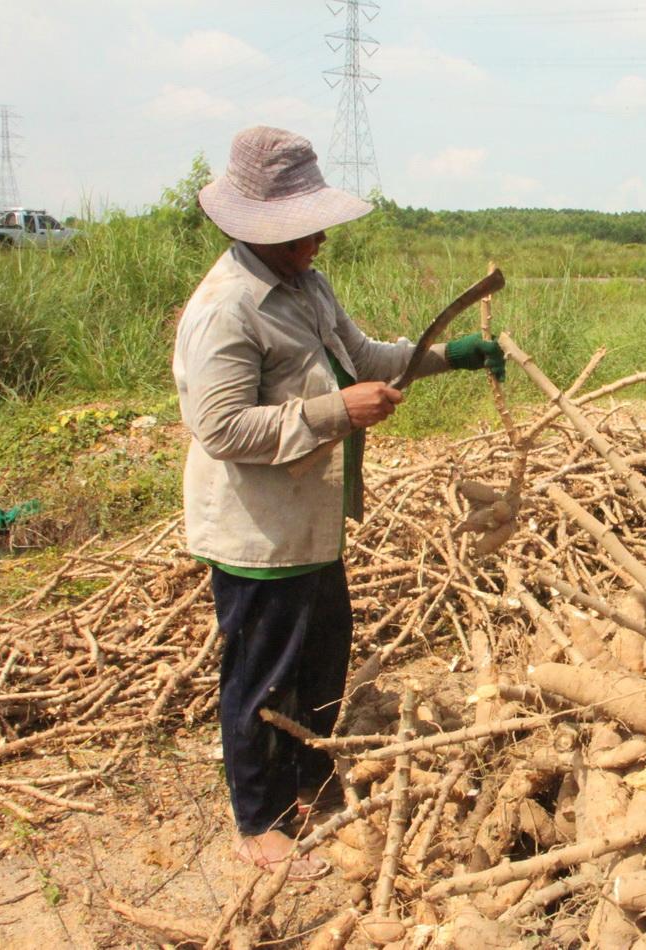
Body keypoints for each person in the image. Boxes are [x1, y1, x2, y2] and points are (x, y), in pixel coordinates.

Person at [172, 126, 504, 879]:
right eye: (302, 228)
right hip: (258, 533)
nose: (318, 238)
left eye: (317, 223)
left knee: (323, 658)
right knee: (260, 678)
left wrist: (449, 356)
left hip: (313, 522)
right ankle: (257, 824)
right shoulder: (227, 309)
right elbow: (221, 428)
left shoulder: (307, 287)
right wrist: (335, 413)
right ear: (259, 229)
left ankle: (307, 789)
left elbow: (365, 360)